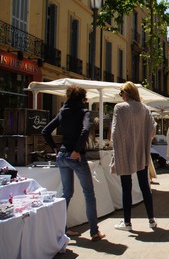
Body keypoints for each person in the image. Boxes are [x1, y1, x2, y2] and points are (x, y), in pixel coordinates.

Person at [42, 86, 105, 241]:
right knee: (89, 194)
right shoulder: (84, 112)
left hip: (62, 155)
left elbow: (45, 131)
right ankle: (94, 232)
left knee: (66, 193)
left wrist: (56, 148)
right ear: (82, 99)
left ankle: (62, 229)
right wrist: (77, 150)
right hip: (76, 156)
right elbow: (85, 130)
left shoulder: (63, 111)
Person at [110, 81, 157, 231]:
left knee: (126, 188)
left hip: (125, 152)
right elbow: (153, 129)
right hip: (140, 153)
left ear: (127, 93)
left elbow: (115, 131)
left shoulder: (119, 108)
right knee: (145, 187)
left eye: (121, 93)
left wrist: (119, 146)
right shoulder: (144, 109)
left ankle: (127, 223)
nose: (120, 96)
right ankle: (151, 220)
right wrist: (141, 141)